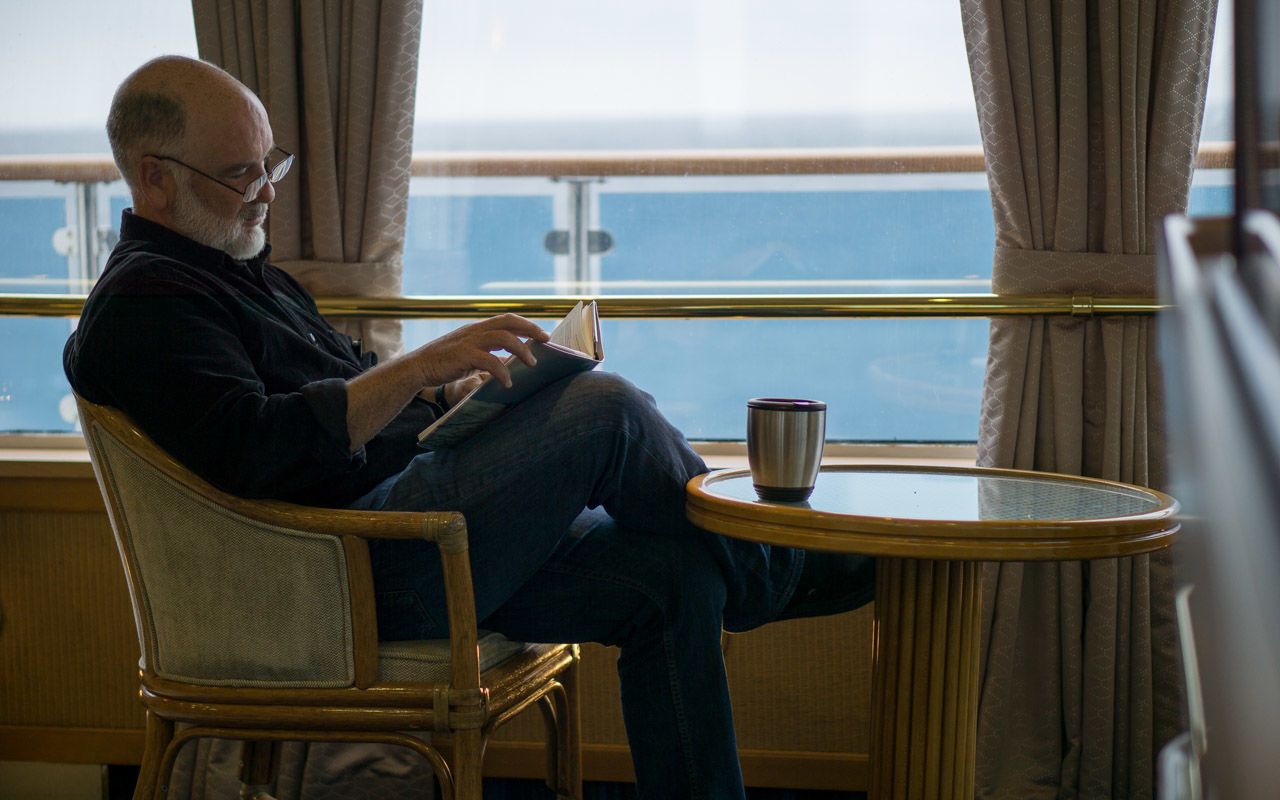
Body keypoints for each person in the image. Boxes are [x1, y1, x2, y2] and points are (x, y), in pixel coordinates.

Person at [64, 55, 874, 799]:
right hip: (351, 576)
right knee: (606, 408)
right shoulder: (146, 304)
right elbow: (259, 450)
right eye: (241, 174)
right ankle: (772, 572)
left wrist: (457, 395)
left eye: (270, 164)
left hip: (409, 536)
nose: (268, 194)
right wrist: (418, 367)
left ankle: (747, 595)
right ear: (155, 178)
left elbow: (350, 389)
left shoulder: (236, 270)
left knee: (675, 578)